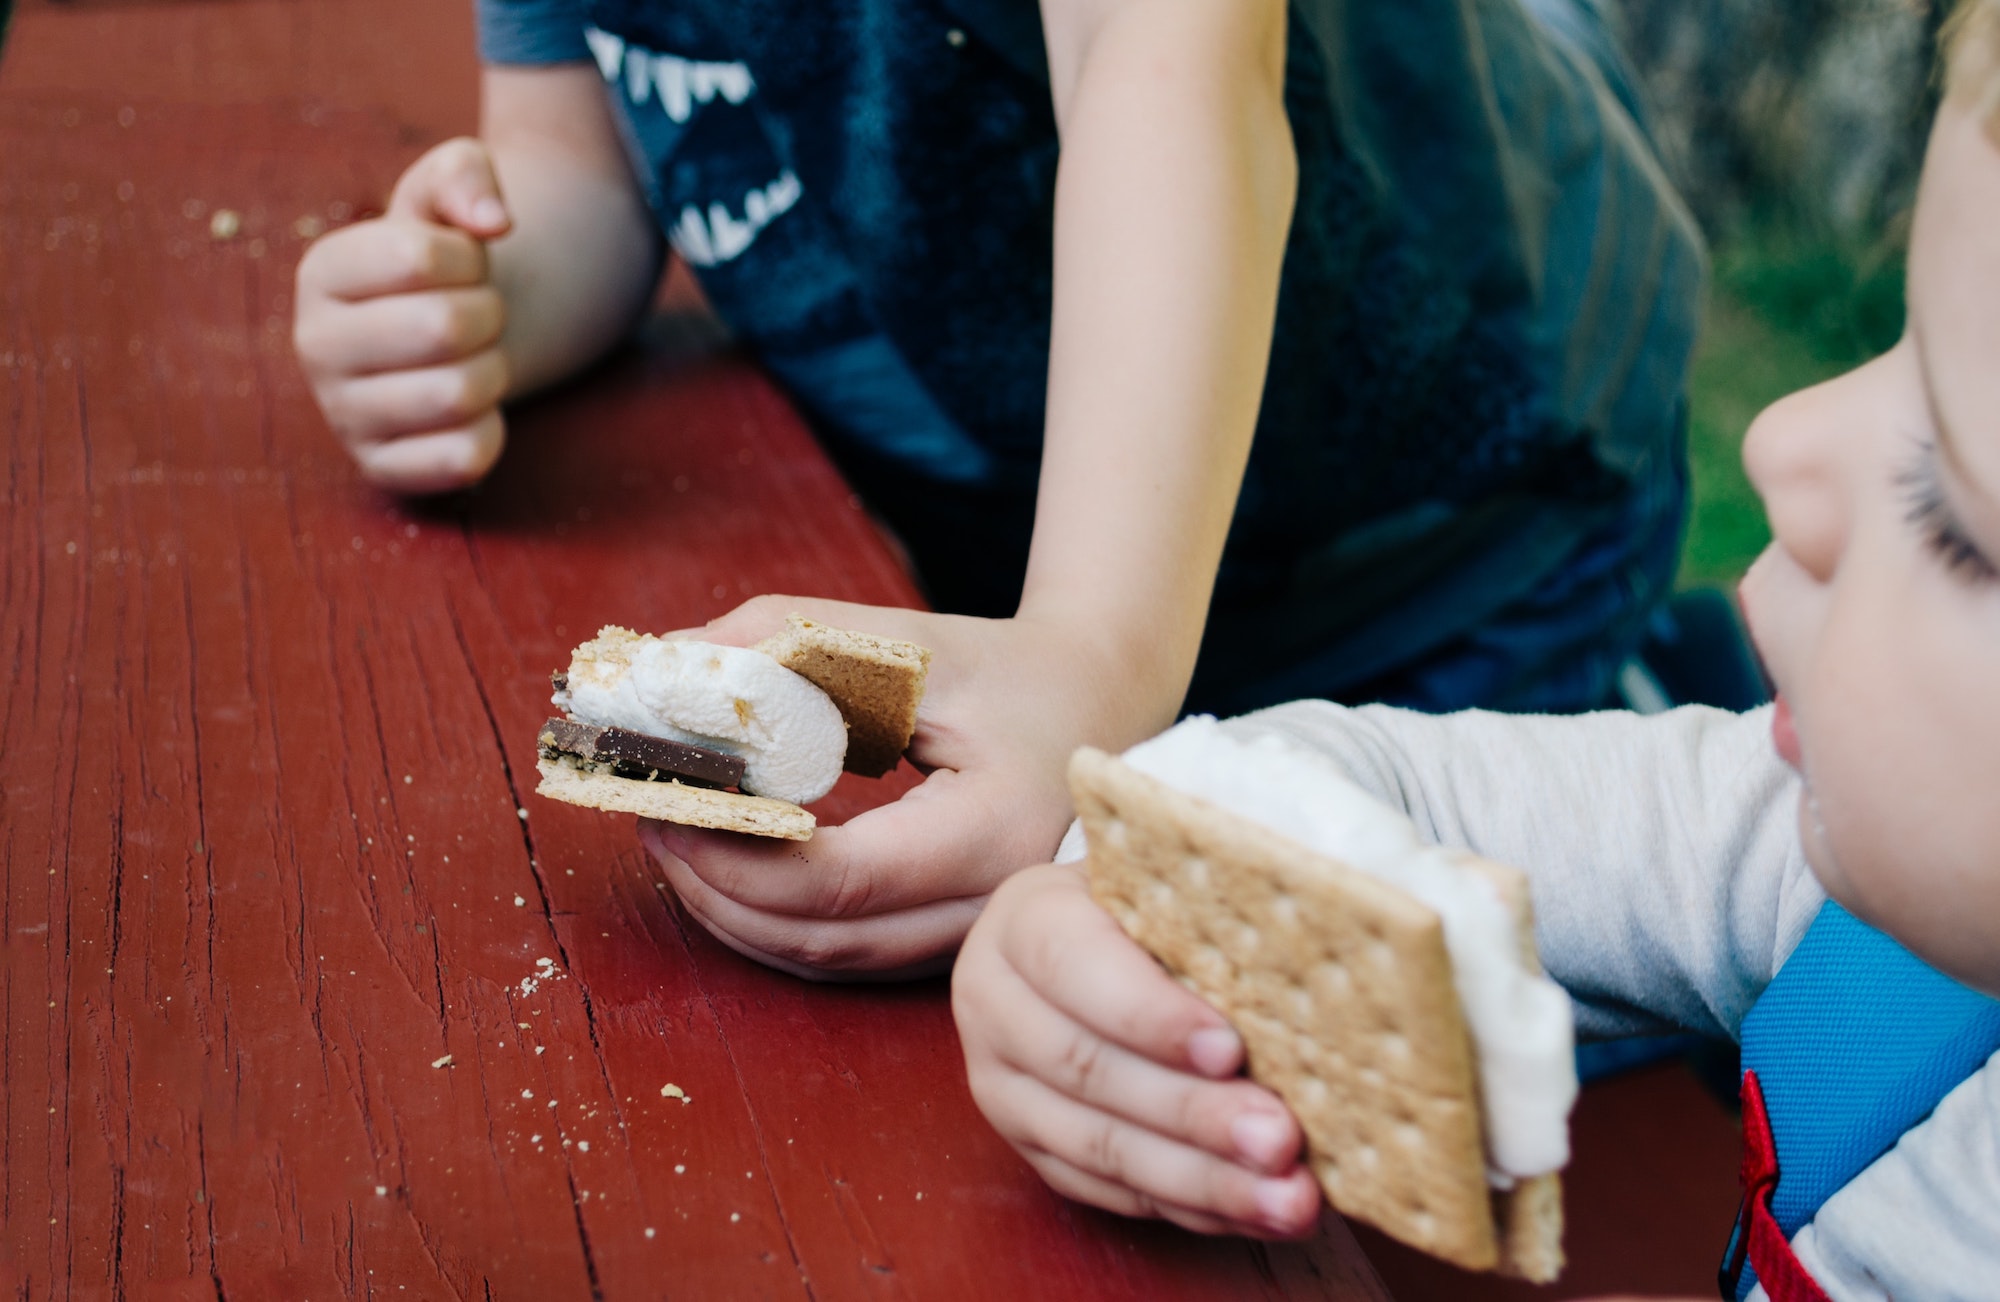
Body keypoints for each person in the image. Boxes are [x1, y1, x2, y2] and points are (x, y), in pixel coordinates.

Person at [292, 0, 1701, 977]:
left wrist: (1092, 650)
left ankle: (1687, 715)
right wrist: (480, 301)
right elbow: (579, 163)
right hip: (1042, 546)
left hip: (1447, 526)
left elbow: (1168, 76)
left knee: (1424, 1026)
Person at [950, 6, 2000, 1294]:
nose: (1783, 440)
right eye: (1895, 346)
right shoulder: (1806, 853)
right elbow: (1359, 797)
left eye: (1957, 512)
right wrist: (1109, 918)